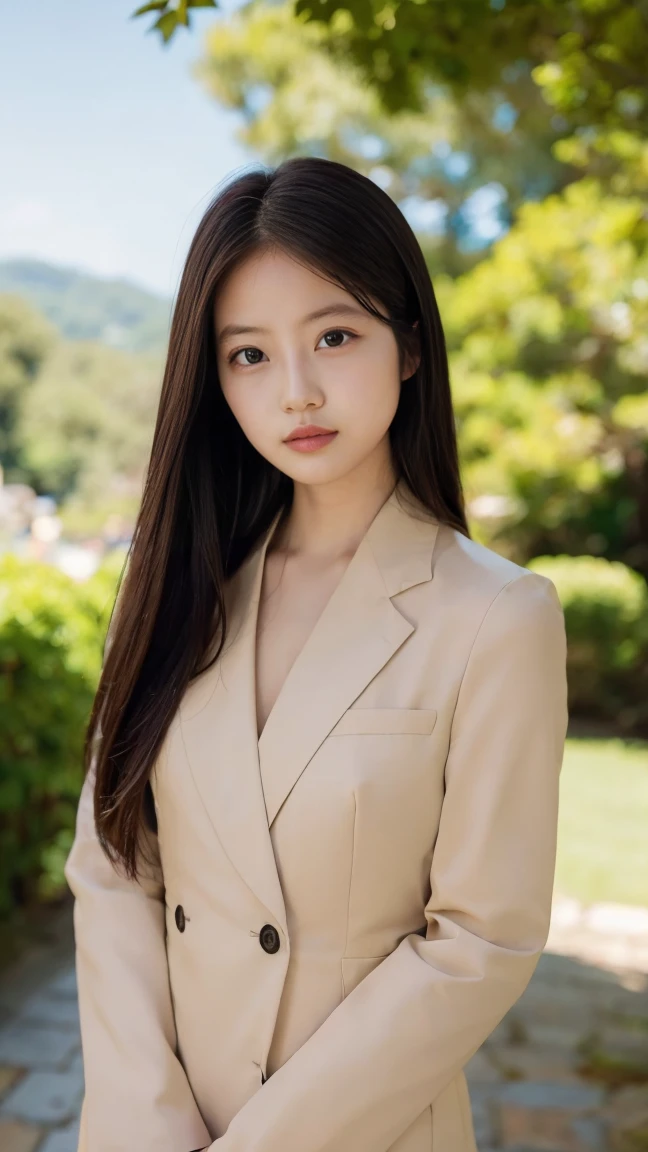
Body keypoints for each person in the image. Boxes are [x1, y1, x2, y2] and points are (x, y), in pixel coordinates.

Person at [64, 156, 569, 1152]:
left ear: (408, 347)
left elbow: (476, 943)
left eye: (335, 336)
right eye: (248, 354)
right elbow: (116, 866)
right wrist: (148, 1125)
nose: (295, 390)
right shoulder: (173, 591)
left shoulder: (498, 615)